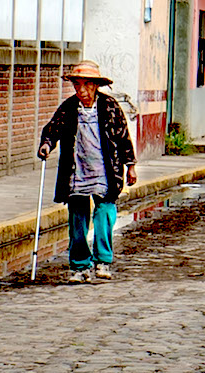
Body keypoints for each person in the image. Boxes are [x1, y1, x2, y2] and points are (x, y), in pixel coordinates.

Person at [38, 60, 138, 283]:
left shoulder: (110, 106)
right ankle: (79, 265)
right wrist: (46, 144)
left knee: (104, 215)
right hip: (76, 171)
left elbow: (123, 138)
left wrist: (130, 165)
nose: (81, 90)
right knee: (77, 220)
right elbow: (52, 129)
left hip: (105, 171)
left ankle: (103, 261)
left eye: (86, 85)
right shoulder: (69, 107)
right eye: (77, 85)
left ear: (95, 86)